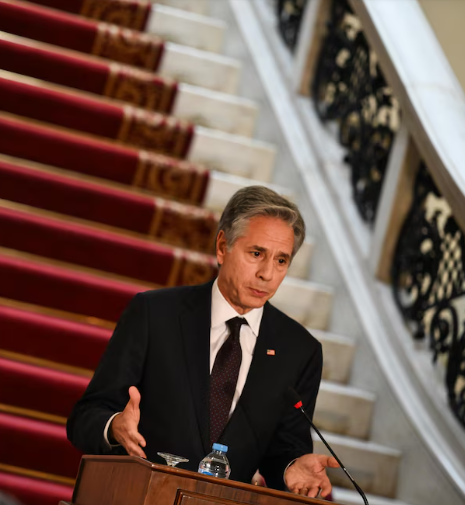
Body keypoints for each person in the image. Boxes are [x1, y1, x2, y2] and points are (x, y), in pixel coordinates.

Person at [66, 186, 339, 498]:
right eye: (256, 254)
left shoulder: (299, 352)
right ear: (222, 246)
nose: (267, 274)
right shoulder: (155, 314)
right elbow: (85, 417)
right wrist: (114, 425)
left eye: (281, 261)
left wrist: (291, 467)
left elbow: (284, 453)